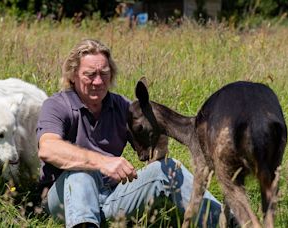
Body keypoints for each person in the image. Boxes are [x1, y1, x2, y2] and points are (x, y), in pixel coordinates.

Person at [36, 39, 222, 227]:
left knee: (168, 168)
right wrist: (102, 162)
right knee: (81, 173)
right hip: (66, 201)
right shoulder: (57, 105)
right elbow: (48, 148)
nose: (98, 81)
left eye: (104, 74)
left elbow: (151, 142)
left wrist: (159, 145)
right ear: (73, 75)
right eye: (90, 75)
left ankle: (228, 221)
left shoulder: (121, 107)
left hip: (113, 198)